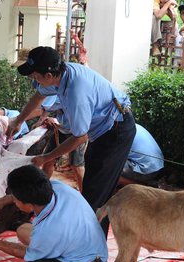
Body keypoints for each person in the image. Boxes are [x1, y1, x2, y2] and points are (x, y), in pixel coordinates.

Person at [7, 46, 136, 235]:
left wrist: (46, 157)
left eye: (35, 76)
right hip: (102, 131)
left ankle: (90, 253)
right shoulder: (61, 73)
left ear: (49, 75)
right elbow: (40, 95)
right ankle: (87, 242)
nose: (34, 81)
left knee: (96, 195)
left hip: (115, 131)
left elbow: (80, 136)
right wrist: (18, 120)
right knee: (95, 187)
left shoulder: (77, 91)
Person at [0, 165, 108, 262]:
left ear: (29, 205)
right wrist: (2, 200)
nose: (15, 203)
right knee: (23, 230)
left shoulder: (47, 232)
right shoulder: (57, 187)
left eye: (16, 201)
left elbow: (22, 252)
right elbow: (25, 196)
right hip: (86, 245)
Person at [38, 95, 87, 192]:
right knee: (48, 159)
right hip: (61, 128)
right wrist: (43, 120)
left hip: (77, 131)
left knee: (76, 164)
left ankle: (85, 194)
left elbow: (42, 108)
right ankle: (43, 188)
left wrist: (19, 120)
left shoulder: (64, 93)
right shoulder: (53, 93)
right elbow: (46, 110)